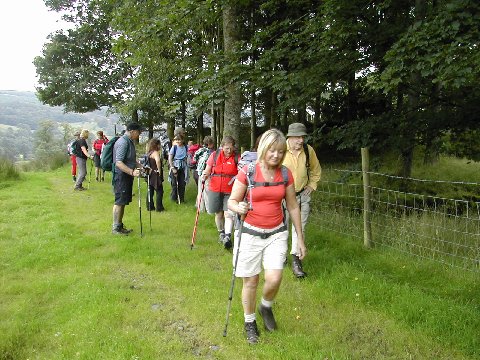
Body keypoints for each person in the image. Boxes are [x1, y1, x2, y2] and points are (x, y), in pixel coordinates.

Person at [228, 128, 306, 344]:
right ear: (264, 149)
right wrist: (239, 206)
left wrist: (299, 238)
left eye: (281, 152)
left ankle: (266, 306)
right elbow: (232, 201)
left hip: (276, 233)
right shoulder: (248, 171)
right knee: (251, 280)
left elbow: (292, 206)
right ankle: (249, 321)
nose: (277, 156)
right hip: (250, 233)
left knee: (274, 278)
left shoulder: (285, 174)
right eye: (272, 151)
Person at [282, 122, 321, 278]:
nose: (300, 140)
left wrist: (311, 185)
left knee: (300, 228)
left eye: (302, 137)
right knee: (281, 228)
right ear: (289, 137)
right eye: (297, 137)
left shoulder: (308, 150)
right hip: (281, 197)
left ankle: (296, 260)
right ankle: (280, 256)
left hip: (301, 195)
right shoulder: (280, 149)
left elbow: (316, 170)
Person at [201, 136, 238, 249]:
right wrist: (204, 175)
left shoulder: (237, 157)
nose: (229, 151)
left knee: (228, 213)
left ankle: (227, 236)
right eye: (227, 148)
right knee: (219, 213)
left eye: (231, 148)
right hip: (215, 188)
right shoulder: (215, 155)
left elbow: (241, 172)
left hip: (230, 190)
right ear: (222, 147)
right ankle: (221, 232)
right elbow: (207, 170)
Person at [111, 123, 144, 235]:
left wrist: (141, 167)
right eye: (138, 132)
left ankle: (120, 226)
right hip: (121, 176)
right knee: (119, 201)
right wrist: (132, 172)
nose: (139, 134)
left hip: (126, 176)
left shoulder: (129, 142)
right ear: (132, 131)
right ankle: (115, 228)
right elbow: (119, 163)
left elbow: (131, 160)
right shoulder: (123, 142)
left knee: (123, 201)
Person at [194, 136, 215, 211]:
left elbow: (194, 158)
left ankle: (200, 207)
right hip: (207, 173)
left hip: (199, 172)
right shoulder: (211, 152)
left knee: (200, 190)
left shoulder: (200, 150)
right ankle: (209, 209)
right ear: (210, 144)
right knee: (207, 191)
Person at [145, 138, 165, 212]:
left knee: (150, 190)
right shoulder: (155, 153)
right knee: (160, 191)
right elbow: (158, 161)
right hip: (155, 173)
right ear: (156, 145)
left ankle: (150, 207)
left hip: (149, 173)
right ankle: (159, 207)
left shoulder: (149, 152)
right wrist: (159, 170)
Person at [168, 135, 188, 203]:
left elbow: (188, 156)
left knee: (182, 183)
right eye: (176, 140)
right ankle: (174, 198)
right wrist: (173, 168)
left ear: (183, 140)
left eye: (179, 140)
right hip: (175, 166)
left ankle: (181, 199)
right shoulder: (174, 147)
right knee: (174, 184)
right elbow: (170, 158)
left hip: (183, 167)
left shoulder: (186, 147)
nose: (178, 141)